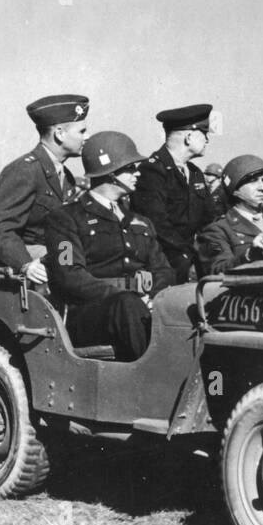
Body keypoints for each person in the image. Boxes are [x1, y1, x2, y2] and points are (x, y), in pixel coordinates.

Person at [44, 131, 175, 361]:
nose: (137, 174)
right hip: (90, 315)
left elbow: (163, 270)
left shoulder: (140, 221)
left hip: (140, 307)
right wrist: (127, 296)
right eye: (130, 168)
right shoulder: (66, 218)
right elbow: (69, 276)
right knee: (127, 306)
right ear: (111, 172)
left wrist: (153, 297)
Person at [0, 94, 89, 287]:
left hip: (55, 254)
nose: (86, 137)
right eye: (82, 131)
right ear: (59, 133)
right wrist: (25, 264)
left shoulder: (66, 176)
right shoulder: (25, 170)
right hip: (30, 266)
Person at [130, 103, 218, 283]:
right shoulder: (152, 171)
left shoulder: (194, 173)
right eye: (205, 134)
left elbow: (210, 219)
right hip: (163, 265)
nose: (208, 140)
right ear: (189, 137)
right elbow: (157, 225)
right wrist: (189, 255)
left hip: (193, 263)